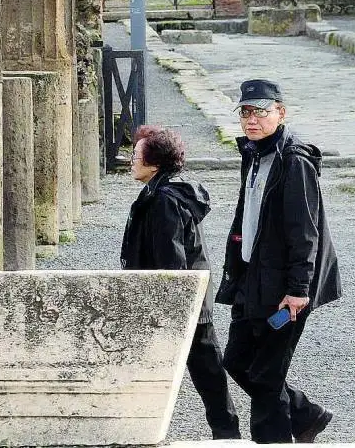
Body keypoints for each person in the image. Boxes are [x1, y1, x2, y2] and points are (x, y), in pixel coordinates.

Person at [215, 79, 341, 444]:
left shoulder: (295, 160)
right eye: (245, 112)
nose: (252, 120)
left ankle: (276, 439)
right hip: (252, 278)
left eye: (261, 111)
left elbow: (305, 231)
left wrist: (299, 289)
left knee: (267, 378)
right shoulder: (253, 153)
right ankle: (306, 415)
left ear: (280, 113)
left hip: (287, 286)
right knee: (237, 361)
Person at [120, 124, 240, 440]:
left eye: (136, 155)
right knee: (206, 370)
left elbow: (172, 262)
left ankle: (228, 433)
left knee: (205, 370)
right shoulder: (161, 193)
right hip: (185, 301)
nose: (130, 160)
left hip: (181, 303)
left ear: (154, 163)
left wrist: (169, 306)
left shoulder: (164, 201)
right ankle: (226, 431)